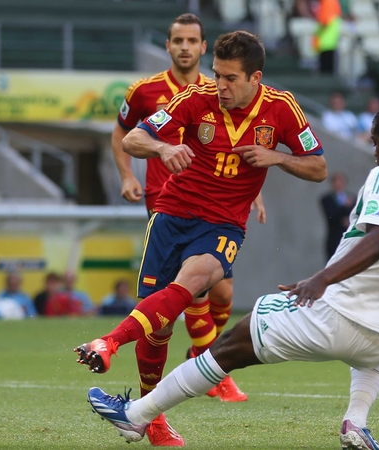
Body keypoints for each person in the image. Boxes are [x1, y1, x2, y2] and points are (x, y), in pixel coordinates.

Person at [87, 64, 379, 450]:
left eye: (376, 143)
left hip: (336, 313)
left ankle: (137, 414)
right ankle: (356, 422)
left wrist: (321, 279)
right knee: (371, 360)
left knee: (230, 344)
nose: (375, 152)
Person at [76, 28, 327, 437]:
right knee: (159, 326)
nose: (220, 85)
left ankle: (109, 342)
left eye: (230, 78)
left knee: (199, 279)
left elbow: (318, 167)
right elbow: (135, 138)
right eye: (217, 75)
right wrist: (163, 148)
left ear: (255, 78)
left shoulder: (281, 108)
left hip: (224, 224)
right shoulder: (196, 98)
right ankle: (150, 419)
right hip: (171, 216)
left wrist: (277, 157)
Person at [112, 16, 264, 445]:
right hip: (167, 204)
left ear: (202, 47)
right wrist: (127, 174)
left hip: (217, 211)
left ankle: (199, 361)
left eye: (192, 40)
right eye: (177, 40)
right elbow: (122, 134)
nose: (184, 47)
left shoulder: (224, 91)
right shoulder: (145, 91)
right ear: (168, 46)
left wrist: (253, 193)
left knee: (221, 294)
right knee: (186, 295)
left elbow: (240, 154)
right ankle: (206, 373)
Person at [320, 172, 355, 260]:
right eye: (335, 181)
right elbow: (331, 215)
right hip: (334, 239)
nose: (338, 184)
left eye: (340, 181)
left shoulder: (352, 198)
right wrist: (344, 206)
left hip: (349, 238)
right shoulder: (326, 199)